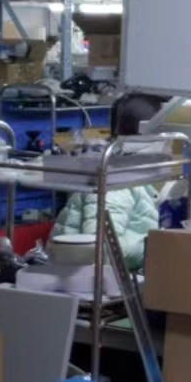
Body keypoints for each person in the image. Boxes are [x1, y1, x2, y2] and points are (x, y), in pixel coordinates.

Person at [52, 92, 167, 270]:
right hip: (83, 277)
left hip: (103, 274)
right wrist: (156, 248)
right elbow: (100, 250)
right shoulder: (117, 184)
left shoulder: (133, 176)